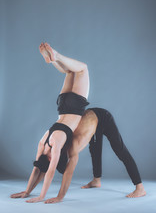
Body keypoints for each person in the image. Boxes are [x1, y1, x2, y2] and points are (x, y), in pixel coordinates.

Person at [10, 42, 89, 203]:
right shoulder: (43, 144)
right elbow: (37, 169)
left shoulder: (56, 148)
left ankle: (56, 56)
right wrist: (27, 191)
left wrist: (40, 196)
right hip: (62, 107)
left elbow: (50, 172)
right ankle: (52, 60)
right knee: (69, 71)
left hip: (74, 108)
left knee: (82, 69)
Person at [44, 107, 146, 204]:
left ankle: (140, 188)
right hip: (91, 120)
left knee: (120, 151)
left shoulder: (73, 148)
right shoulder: (61, 142)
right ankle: (96, 181)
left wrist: (59, 197)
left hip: (104, 118)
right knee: (94, 150)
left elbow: (68, 173)